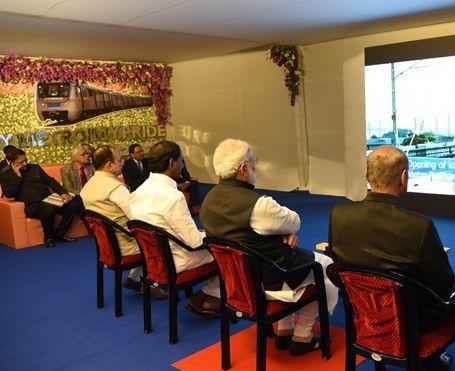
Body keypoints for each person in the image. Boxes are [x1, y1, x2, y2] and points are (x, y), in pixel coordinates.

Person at [328, 144, 455, 371]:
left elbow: (339, 262)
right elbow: (444, 285)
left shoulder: (339, 215)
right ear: (403, 178)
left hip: (367, 315)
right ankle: (430, 359)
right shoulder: (418, 226)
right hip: (414, 319)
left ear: (367, 176)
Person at [200, 138, 338, 356]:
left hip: (238, 283)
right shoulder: (258, 205)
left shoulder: (208, 200)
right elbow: (294, 221)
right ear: (244, 169)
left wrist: (280, 232)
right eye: (254, 161)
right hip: (269, 281)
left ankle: (284, 329)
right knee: (327, 266)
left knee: (278, 258)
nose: (256, 166)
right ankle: (303, 335)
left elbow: (249, 232)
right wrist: (285, 230)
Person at [129, 141, 220, 316]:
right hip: (178, 261)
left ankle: (203, 296)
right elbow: (194, 242)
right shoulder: (174, 196)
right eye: (182, 161)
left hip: (154, 262)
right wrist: (212, 235)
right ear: (172, 163)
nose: (183, 165)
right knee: (227, 251)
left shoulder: (137, 193)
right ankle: (211, 297)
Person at [80, 145, 165, 298]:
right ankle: (155, 283)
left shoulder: (87, 187)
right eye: (119, 160)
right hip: (126, 246)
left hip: (107, 247)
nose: (123, 163)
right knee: (161, 238)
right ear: (109, 165)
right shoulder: (116, 188)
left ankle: (134, 279)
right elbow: (138, 219)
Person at [0, 147, 83, 247]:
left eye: (26, 160)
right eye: (21, 162)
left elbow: (50, 181)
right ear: (12, 163)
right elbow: (9, 194)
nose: (25, 164)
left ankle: (60, 234)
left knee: (73, 203)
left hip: (49, 200)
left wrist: (63, 193)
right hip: (32, 205)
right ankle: (48, 238)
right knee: (47, 209)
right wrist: (17, 176)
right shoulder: (6, 174)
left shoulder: (34, 168)